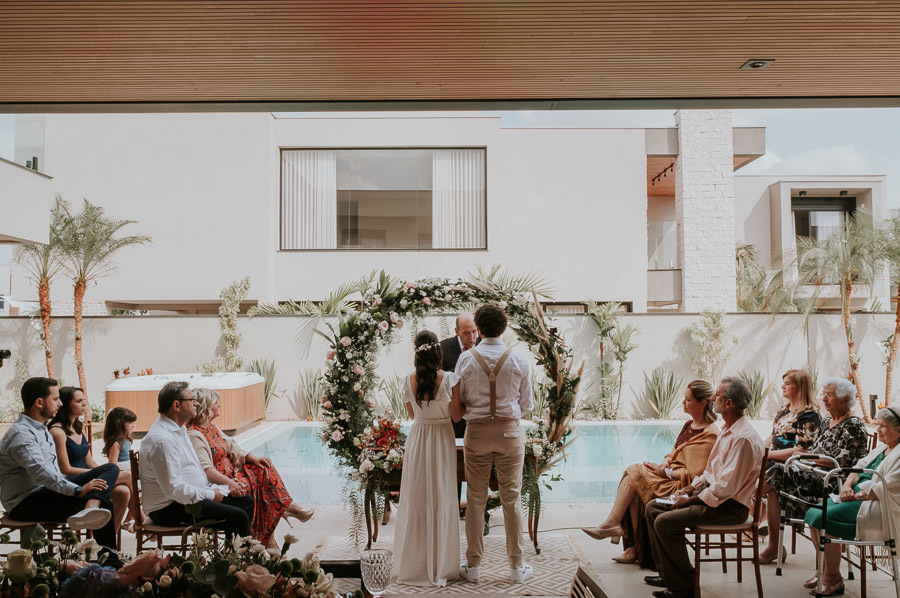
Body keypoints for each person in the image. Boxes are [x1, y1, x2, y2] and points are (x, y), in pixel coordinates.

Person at [644, 376, 765, 598]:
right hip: (716, 500)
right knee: (653, 508)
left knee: (665, 521)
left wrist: (688, 501)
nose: (712, 399)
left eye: (717, 396)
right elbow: (711, 473)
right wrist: (688, 489)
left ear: (728, 403)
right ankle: (669, 575)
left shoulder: (743, 439)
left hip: (729, 508)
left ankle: (684, 587)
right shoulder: (728, 431)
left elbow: (723, 489)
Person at [581, 380, 719, 568]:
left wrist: (667, 472)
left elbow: (696, 474)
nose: (683, 403)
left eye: (688, 400)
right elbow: (674, 453)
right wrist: (664, 463)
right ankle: (632, 548)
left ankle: (616, 528)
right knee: (634, 478)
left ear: (702, 403)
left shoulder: (710, 434)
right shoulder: (689, 425)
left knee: (635, 473)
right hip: (669, 475)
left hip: (682, 487)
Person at [456, 304, 534, 584]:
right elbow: (527, 405)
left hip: (476, 433)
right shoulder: (518, 359)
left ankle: (473, 566)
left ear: (478, 328)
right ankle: (516, 568)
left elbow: (460, 403)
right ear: (504, 327)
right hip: (509, 433)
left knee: (475, 499)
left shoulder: (466, 359)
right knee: (511, 499)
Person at [187, 388, 314, 548]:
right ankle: (271, 534)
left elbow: (231, 445)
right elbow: (206, 470)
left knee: (264, 467)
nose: (219, 405)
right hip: (221, 481)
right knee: (256, 489)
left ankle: (284, 511)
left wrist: (250, 457)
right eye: (215, 402)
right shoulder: (194, 434)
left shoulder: (211, 426)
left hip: (233, 471)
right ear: (205, 407)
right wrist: (229, 483)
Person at [0, 377, 119, 549]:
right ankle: (110, 561)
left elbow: (53, 474)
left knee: (111, 468)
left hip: (46, 491)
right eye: (55, 399)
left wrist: (79, 488)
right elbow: (41, 473)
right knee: (105, 505)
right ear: (39, 402)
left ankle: (91, 506)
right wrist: (78, 490)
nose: (61, 404)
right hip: (25, 502)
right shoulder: (21, 435)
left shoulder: (40, 428)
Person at [762, 377, 868, 564]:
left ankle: (746, 513)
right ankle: (771, 541)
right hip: (814, 474)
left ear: (845, 399)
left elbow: (839, 462)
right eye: (824, 395)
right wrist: (803, 461)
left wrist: (801, 460)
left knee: (775, 473)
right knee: (773, 477)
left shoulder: (852, 425)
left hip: (833, 481)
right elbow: (814, 451)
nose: (824, 399)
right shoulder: (828, 421)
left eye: (830, 395)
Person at [394, 330, 466, 587]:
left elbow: (412, 415)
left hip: (419, 439)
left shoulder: (408, 379)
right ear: (439, 354)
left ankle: (414, 563)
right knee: (442, 495)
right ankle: (442, 564)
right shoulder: (450, 379)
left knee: (418, 496)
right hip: (441, 438)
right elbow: (457, 416)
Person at [802, 407, 900, 596]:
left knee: (824, 517)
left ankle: (833, 578)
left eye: (883, 426)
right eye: (877, 425)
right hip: (854, 496)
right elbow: (859, 466)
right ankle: (823, 569)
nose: (878, 430)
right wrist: (847, 486)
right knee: (814, 512)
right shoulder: (883, 448)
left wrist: (855, 496)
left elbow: (886, 487)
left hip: (875, 505)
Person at [139, 381, 254, 539]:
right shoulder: (163, 440)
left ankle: (233, 558)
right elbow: (174, 489)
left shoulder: (179, 429)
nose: (197, 403)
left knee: (246, 501)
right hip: (168, 508)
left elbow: (195, 473)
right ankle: (236, 561)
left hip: (187, 498)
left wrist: (225, 488)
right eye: (192, 400)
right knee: (238, 516)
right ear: (177, 405)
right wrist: (211, 494)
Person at [49, 386, 133, 534]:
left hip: (88, 475)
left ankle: (105, 545)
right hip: (71, 480)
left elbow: (89, 460)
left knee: (123, 491)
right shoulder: (57, 432)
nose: (84, 405)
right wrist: (96, 472)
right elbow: (65, 469)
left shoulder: (79, 426)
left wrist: (101, 473)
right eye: (79, 401)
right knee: (126, 475)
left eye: (84, 400)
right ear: (67, 404)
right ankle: (141, 522)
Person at [757, 369, 822, 559]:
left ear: (800, 387)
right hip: (774, 461)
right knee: (747, 469)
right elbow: (774, 436)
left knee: (765, 481)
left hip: (794, 467)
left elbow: (801, 450)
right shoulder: (785, 409)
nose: (782, 386)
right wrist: (758, 450)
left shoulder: (809, 415)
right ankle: (769, 539)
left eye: (787, 383)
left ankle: (759, 525)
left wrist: (768, 455)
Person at [439, 312, 478, 512]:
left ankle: (481, 514)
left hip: (477, 418)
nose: (471, 337)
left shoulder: (483, 347)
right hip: (452, 420)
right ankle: (451, 513)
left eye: (474, 332)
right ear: (456, 332)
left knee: (478, 472)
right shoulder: (443, 349)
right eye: (466, 333)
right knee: (453, 470)